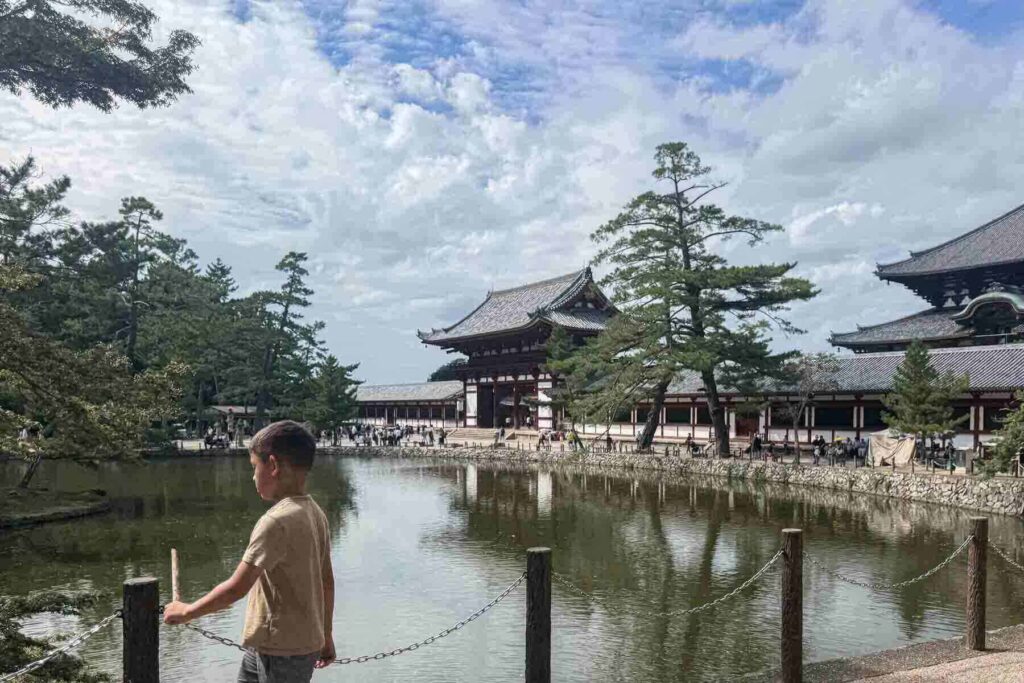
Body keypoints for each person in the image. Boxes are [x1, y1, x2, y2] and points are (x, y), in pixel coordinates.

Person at [163, 420, 335, 681]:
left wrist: (186, 612)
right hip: (282, 643)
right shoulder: (314, 512)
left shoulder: (275, 522)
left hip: (282, 648)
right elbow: (327, 583)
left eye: (255, 467)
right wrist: (326, 635)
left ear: (274, 466)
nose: (253, 476)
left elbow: (236, 588)